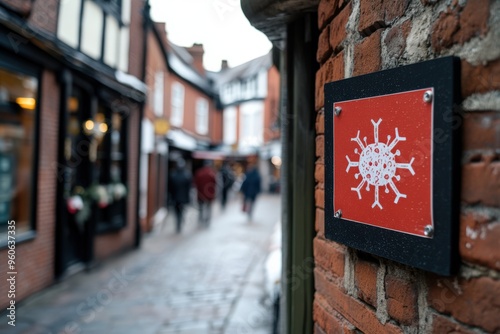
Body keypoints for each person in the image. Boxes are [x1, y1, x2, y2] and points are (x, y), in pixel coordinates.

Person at [168, 158, 192, 233]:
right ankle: (179, 224)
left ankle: (178, 224)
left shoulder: (173, 174)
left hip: (175, 198)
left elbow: (170, 188)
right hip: (182, 198)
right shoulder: (186, 175)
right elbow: (189, 188)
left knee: (177, 212)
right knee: (181, 211)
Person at [194, 160, 217, 226]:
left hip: (200, 194)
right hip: (209, 194)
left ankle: (200, 219)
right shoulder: (212, 173)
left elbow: (195, 183)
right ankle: (207, 220)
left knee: (201, 208)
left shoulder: (199, 172)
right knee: (208, 208)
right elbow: (214, 184)